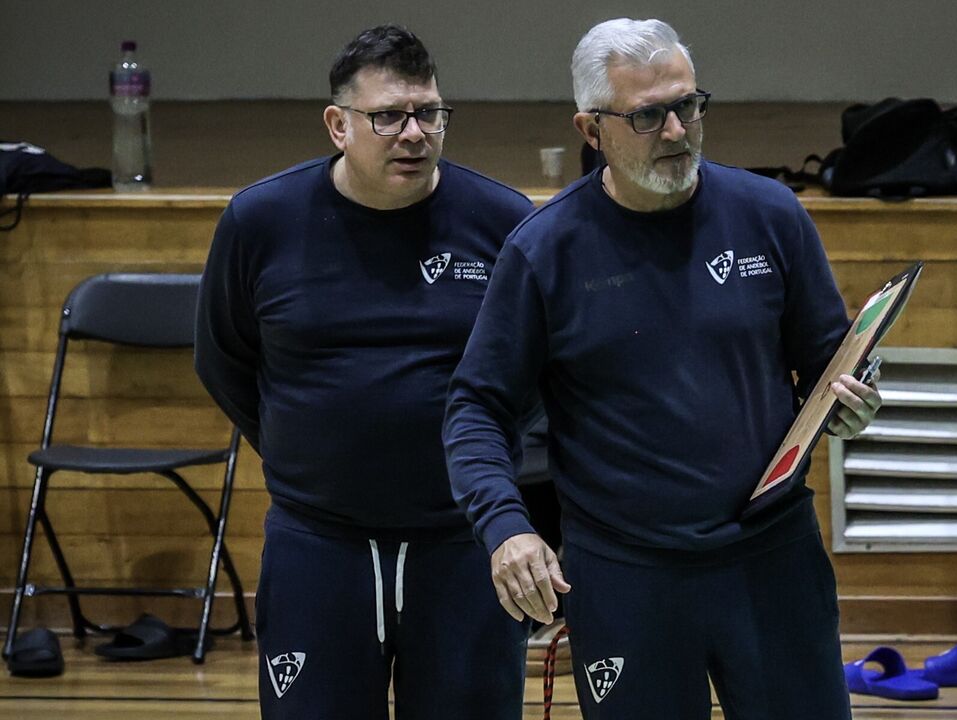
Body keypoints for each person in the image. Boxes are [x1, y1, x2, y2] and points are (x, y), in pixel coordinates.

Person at [444, 17, 880, 720]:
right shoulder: (544, 252)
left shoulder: (771, 216)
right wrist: (508, 528)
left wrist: (856, 401)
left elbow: (830, 366)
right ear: (593, 132)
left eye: (687, 104)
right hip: (625, 580)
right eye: (648, 115)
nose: (677, 130)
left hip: (771, 565)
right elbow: (476, 408)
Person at [195, 25, 533, 720]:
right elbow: (223, 359)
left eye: (429, 113)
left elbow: (536, 377)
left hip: (462, 546)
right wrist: (310, 452)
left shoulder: (503, 221)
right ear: (338, 125)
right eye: (389, 116)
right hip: (318, 547)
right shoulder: (260, 221)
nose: (413, 133)